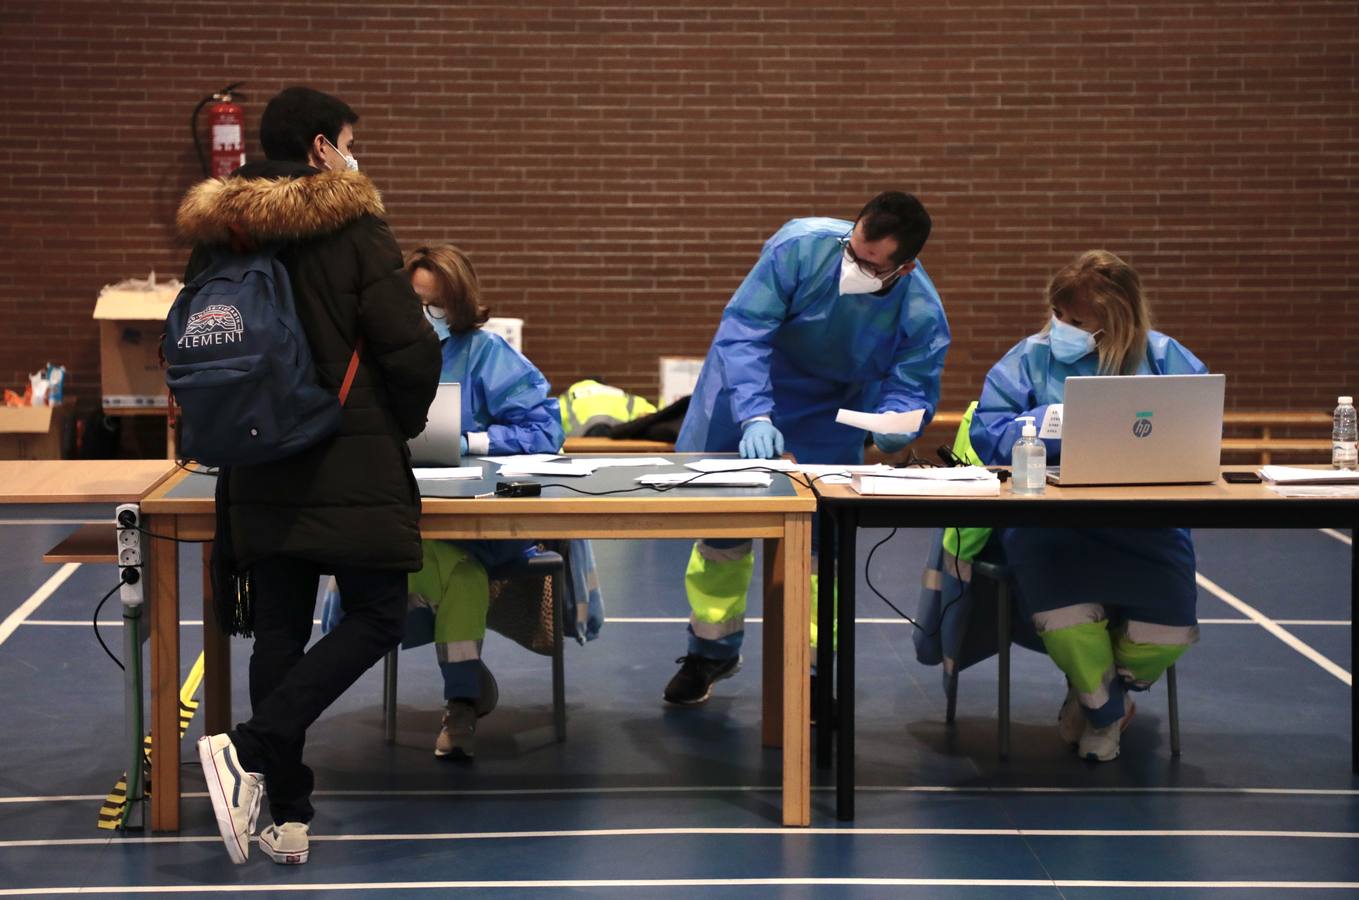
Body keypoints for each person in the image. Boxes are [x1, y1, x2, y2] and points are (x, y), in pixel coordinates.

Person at [181, 86, 441, 865]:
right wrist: (392, 422)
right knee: (376, 615)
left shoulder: (220, 232)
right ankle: (251, 748)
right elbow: (408, 347)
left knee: (281, 633)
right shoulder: (354, 228)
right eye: (350, 139)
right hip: (346, 451)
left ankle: (284, 814)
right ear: (324, 148)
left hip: (255, 457)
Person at [666, 191, 950, 704]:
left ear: (903, 268)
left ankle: (816, 670)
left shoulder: (921, 308)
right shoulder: (800, 246)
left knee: (821, 550)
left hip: (833, 412)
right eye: (852, 250)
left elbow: (914, 379)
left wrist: (896, 425)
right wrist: (754, 412)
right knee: (721, 535)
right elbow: (746, 329)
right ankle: (710, 653)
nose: (854, 265)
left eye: (870, 264)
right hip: (751, 392)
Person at [970, 249, 1206, 762]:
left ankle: (1103, 694)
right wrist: (1047, 421)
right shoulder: (1029, 358)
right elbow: (986, 434)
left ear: (1116, 323)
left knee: (1168, 631)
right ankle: (1104, 709)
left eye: (1078, 321)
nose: (1063, 328)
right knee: (1068, 621)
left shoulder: (1165, 359)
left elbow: (1200, 429)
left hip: (1148, 525)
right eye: (1060, 315)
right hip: (1051, 525)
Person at [406, 244, 566, 757]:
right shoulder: (378, 355)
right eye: (415, 304)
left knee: (461, 573)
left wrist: (472, 441)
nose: (426, 318)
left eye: (437, 306)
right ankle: (466, 684)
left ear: (459, 304)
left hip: (478, 524)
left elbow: (546, 430)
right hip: (401, 514)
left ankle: (462, 696)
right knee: (413, 566)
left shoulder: (487, 354)